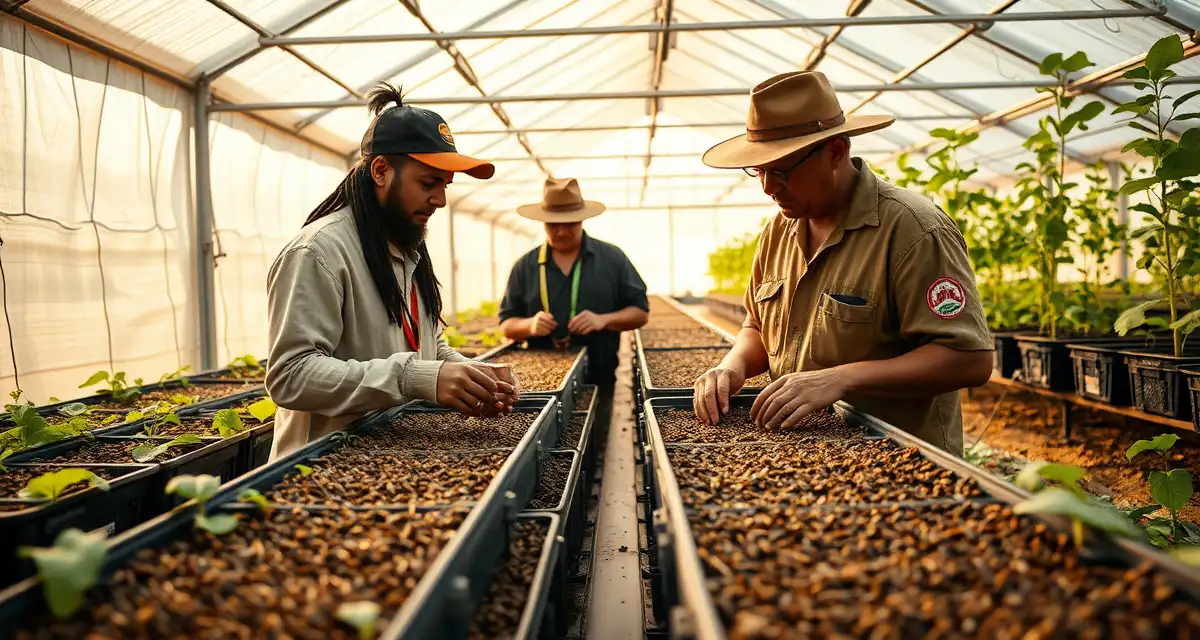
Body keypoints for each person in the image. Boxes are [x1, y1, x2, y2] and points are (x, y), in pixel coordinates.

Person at [691, 71, 993, 454]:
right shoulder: (779, 231)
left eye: (781, 169)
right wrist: (732, 366)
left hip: (901, 463)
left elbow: (968, 360)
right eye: (759, 170)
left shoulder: (914, 231)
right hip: (807, 454)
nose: (768, 186)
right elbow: (757, 324)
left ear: (835, 151)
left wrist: (840, 379)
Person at [265, 83, 519, 460]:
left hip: (391, 459)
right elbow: (291, 375)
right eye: (428, 183)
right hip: (320, 472)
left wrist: (469, 374)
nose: (441, 199)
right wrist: (414, 377)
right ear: (381, 170)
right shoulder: (319, 251)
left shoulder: (406, 248)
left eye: (446, 185)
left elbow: (424, 345)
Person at [499, 177, 650, 392]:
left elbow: (640, 313)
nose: (561, 231)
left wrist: (603, 320)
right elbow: (507, 324)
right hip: (542, 387)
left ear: (582, 220)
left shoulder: (612, 258)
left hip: (601, 378)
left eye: (569, 223)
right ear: (543, 222)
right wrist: (530, 325)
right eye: (553, 224)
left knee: (601, 423)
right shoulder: (525, 266)